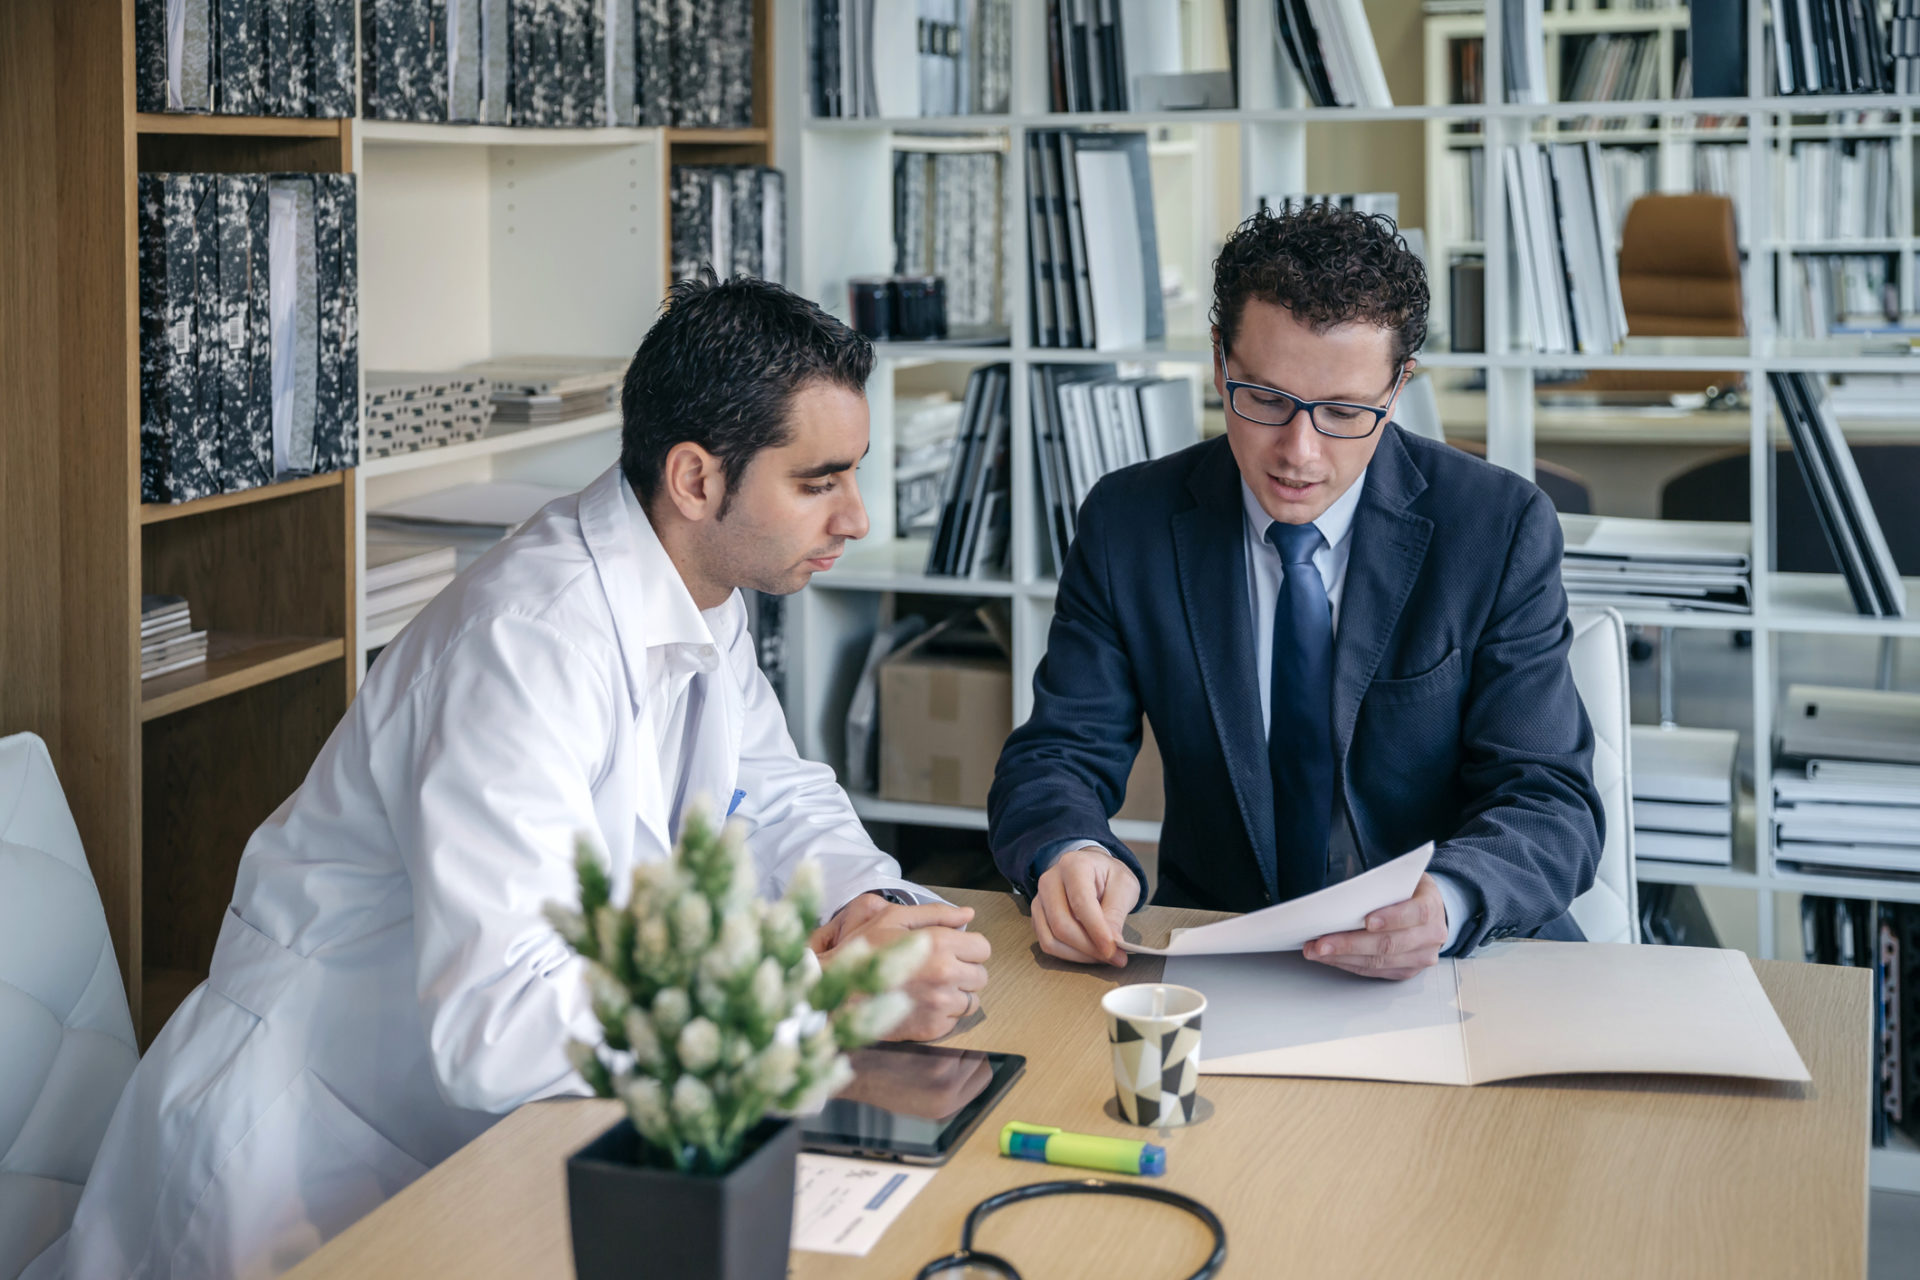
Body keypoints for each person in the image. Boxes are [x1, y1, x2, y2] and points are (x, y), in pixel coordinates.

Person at [68, 276, 990, 1280]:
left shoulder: (702, 583)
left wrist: (873, 905)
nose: (855, 514)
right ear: (694, 479)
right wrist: (821, 983)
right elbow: (502, 1022)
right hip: (302, 1155)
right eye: (820, 480)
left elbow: (770, 788)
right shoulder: (526, 641)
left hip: (479, 1143)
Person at [989, 205, 1602, 980]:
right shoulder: (1128, 522)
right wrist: (1067, 850)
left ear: (1399, 385)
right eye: (1267, 401)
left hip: (1456, 963)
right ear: (1220, 363)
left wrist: (1445, 902)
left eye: (1345, 412)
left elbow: (1550, 801)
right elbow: (1057, 755)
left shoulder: (1497, 527)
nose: (1299, 453)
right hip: (1227, 947)